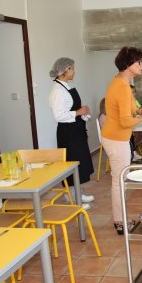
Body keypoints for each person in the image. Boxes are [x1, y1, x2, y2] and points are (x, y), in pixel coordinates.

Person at [101, 47, 142, 235]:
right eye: (139, 62)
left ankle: (120, 219)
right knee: (119, 182)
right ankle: (120, 222)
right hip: (116, 138)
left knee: (119, 180)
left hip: (115, 137)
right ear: (128, 64)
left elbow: (125, 111)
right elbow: (124, 120)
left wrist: (139, 111)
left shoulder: (121, 82)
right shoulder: (122, 86)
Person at [48, 57, 94, 210]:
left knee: (79, 164)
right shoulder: (57, 91)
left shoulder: (65, 87)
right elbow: (59, 115)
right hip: (68, 133)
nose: (74, 71)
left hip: (75, 130)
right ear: (65, 70)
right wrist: (78, 112)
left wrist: (82, 113)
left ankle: (78, 194)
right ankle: (73, 198)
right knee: (72, 164)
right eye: (72, 68)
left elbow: (72, 110)